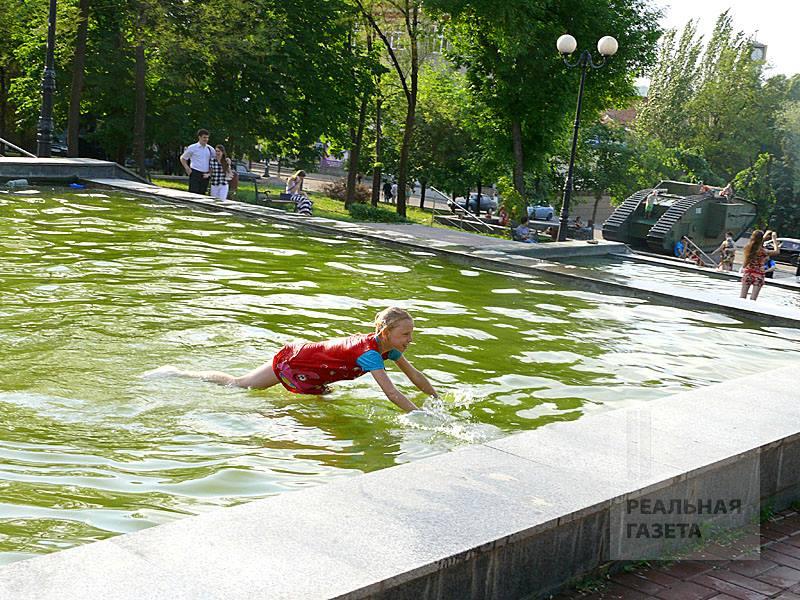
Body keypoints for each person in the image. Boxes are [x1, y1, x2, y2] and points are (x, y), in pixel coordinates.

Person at [143, 307, 437, 412]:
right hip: (299, 361)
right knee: (240, 385)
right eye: (405, 334)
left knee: (322, 407)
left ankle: (283, 414)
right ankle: (178, 373)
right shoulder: (371, 354)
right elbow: (392, 393)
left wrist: (436, 397)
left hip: (319, 372)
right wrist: (420, 417)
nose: (410, 339)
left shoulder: (389, 350)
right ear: (385, 332)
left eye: (411, 334)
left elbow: (414, 378)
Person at [740, 230, 779, 301]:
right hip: (759, 275)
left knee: (742, 297)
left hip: (748, 273)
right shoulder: (764, 251)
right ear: (761, 239)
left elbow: (757, 243)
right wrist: (774, 239)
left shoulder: (747, 248)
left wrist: (763, 236)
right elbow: (777, 251)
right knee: (753, 300)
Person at [180, 129, 215, 195]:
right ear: (199, 137)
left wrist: (209, 173)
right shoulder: (193, 147)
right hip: (195, 173)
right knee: (193, 194)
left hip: (205, 175)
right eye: (204, 137)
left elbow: (215, 161)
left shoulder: (210, 149)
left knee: (202, 194)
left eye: (207, 137)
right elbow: (183, 158)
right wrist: (187, 168)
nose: (206, 139)